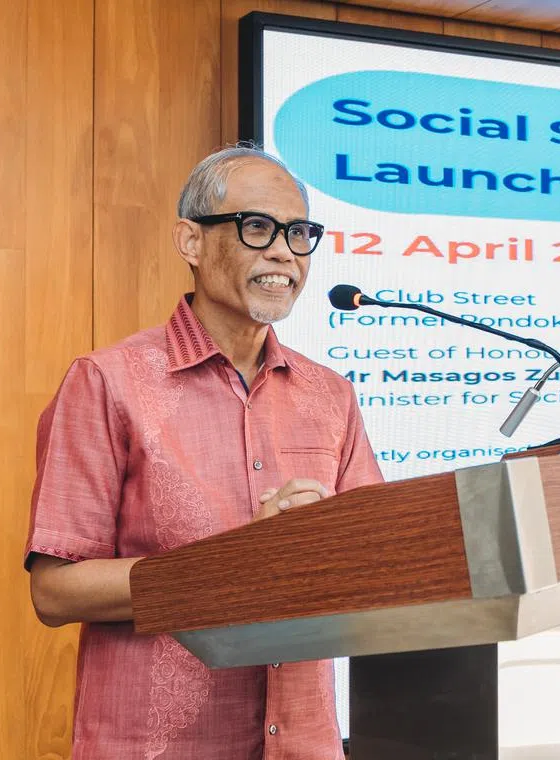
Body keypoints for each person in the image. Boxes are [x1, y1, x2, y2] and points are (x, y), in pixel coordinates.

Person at [24, 144, 381, 759]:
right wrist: (238, 563)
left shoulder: (331, 394)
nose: (284, 252)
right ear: (190, 241)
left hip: (305, 742)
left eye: (299, 233)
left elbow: (377, 561)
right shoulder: (107, 382)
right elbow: (55, 593)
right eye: (257, 227)